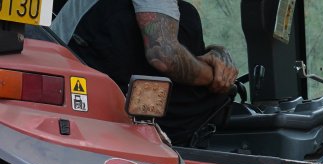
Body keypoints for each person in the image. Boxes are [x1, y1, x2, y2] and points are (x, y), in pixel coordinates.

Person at [53, 0, 239, 144]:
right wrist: (217, 78)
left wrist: (214, 53)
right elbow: (164, 56)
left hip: (85, 105)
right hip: (84, 104)